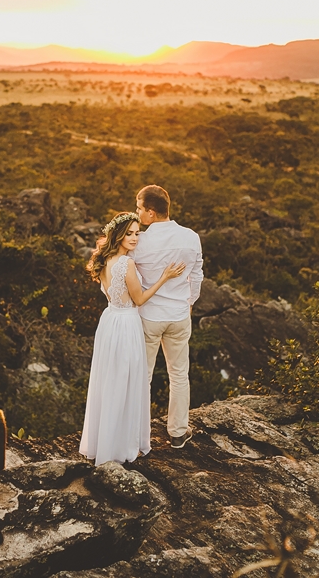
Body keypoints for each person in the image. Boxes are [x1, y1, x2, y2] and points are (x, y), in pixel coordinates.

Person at [79, 211, 185, 465]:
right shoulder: (126, 264)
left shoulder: (104, 260)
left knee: (109, 382)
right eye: (130, 233)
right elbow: (139, 299)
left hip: (109, 321)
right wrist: (164, 278)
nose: (135, 238)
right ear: (118, 234)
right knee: (127, 382)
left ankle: (105, 443)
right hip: (126, 322)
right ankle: (122, 446)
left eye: (138, 233)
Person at [132, 185, 203, 449]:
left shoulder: (140, 241)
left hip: (149, 316)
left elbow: (133, 278)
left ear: (151, 213)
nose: (137, 212)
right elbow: (197, 276)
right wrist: (189, 303)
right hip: (179, 315)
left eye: (139, 207)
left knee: (144, 376)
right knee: (179, 374)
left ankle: (139, 435)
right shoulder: (191, 237)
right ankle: (177, 433)